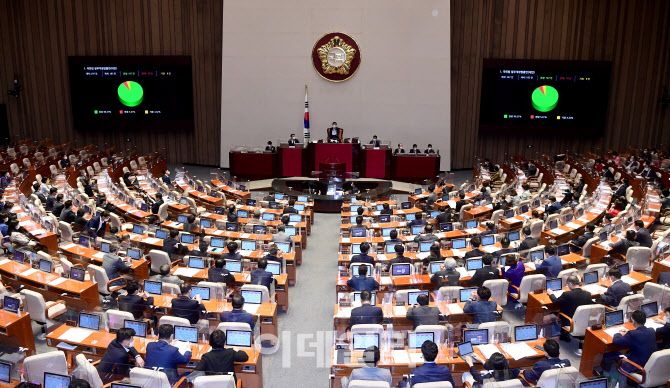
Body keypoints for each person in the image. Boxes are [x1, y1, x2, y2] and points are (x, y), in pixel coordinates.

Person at [611, 310, 657, 381]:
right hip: (651, 364)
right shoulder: (651, 331)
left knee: (615, 360)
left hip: (639, 366)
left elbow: (617, 342)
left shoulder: (633, 334)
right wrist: (629, 334)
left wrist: (619, 334)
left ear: (633, 321)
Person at [548, 275, 593, 346]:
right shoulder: (587, 294)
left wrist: (551, 294)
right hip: (584, 320)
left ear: (570, 284)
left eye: (568, 284)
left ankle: (562, 334)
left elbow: (556, 302)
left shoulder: (567, 294)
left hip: (569, 321)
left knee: (552, 314)